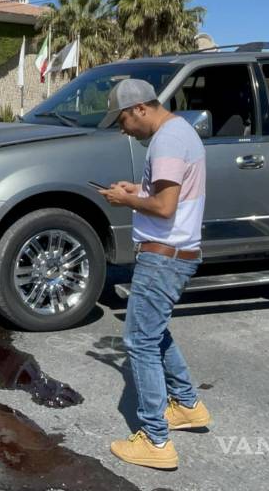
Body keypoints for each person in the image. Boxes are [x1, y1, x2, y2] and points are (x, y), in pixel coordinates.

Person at [96, 79, 210, 470]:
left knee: (140, 342)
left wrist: (125, 199)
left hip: (164, 257)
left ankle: (155, 441)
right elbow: (165, 193)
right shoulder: (180, 133)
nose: (123, 129)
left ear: (140, 109)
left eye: (123, 120)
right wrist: (137, 187)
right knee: (154, 332)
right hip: (177, 252)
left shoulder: (166, 141)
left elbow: (163, 207)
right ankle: (188, 405)